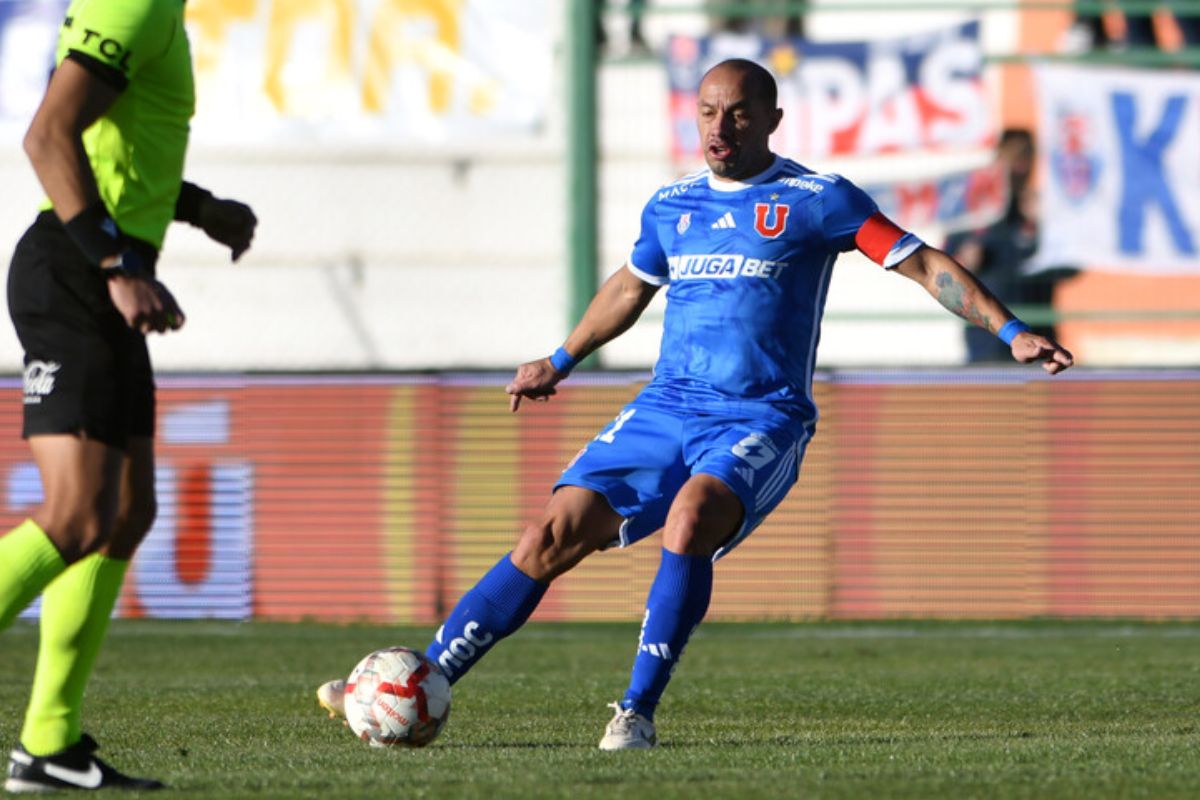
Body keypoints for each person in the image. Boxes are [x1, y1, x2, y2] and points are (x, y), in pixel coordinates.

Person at [317, 58, 1073, 750]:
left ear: (772, 120)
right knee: (552, 530)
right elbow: (628, 287)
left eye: (739, 113)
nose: (719, 126)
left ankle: (635, 711)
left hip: (760, 415)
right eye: (709, 111)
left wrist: (1008, 330)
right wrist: (558, 359)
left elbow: (922, 261)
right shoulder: (672, 204)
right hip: (665, 407)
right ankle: (425, 681)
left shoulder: (818, 200)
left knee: (690, 519)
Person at [0, 0, 256, 792]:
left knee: (123, 514)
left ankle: (49, 744)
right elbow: (48, 136)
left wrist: (197, 208)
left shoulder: (160, 12)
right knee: (77, 512)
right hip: (76, 275)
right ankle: (47, 742)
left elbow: (120, 152)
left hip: (104, 270)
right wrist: (118, 270)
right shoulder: (134, 2)